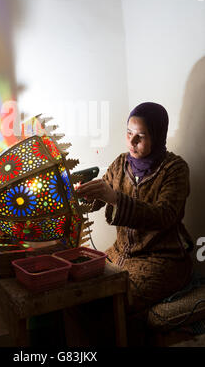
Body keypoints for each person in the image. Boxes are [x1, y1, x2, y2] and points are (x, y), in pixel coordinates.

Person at [74, 102, 194, 344]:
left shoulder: (175, 169)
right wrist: (87, 194)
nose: (132, 142)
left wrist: (115, 198)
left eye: (141, 136)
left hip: (162, 259)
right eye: (129, 133)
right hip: (120, 254)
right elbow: (104, 193)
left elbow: (164, 215)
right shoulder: (121, 163)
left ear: (158, 136)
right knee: (77, 292)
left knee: (111, 302)